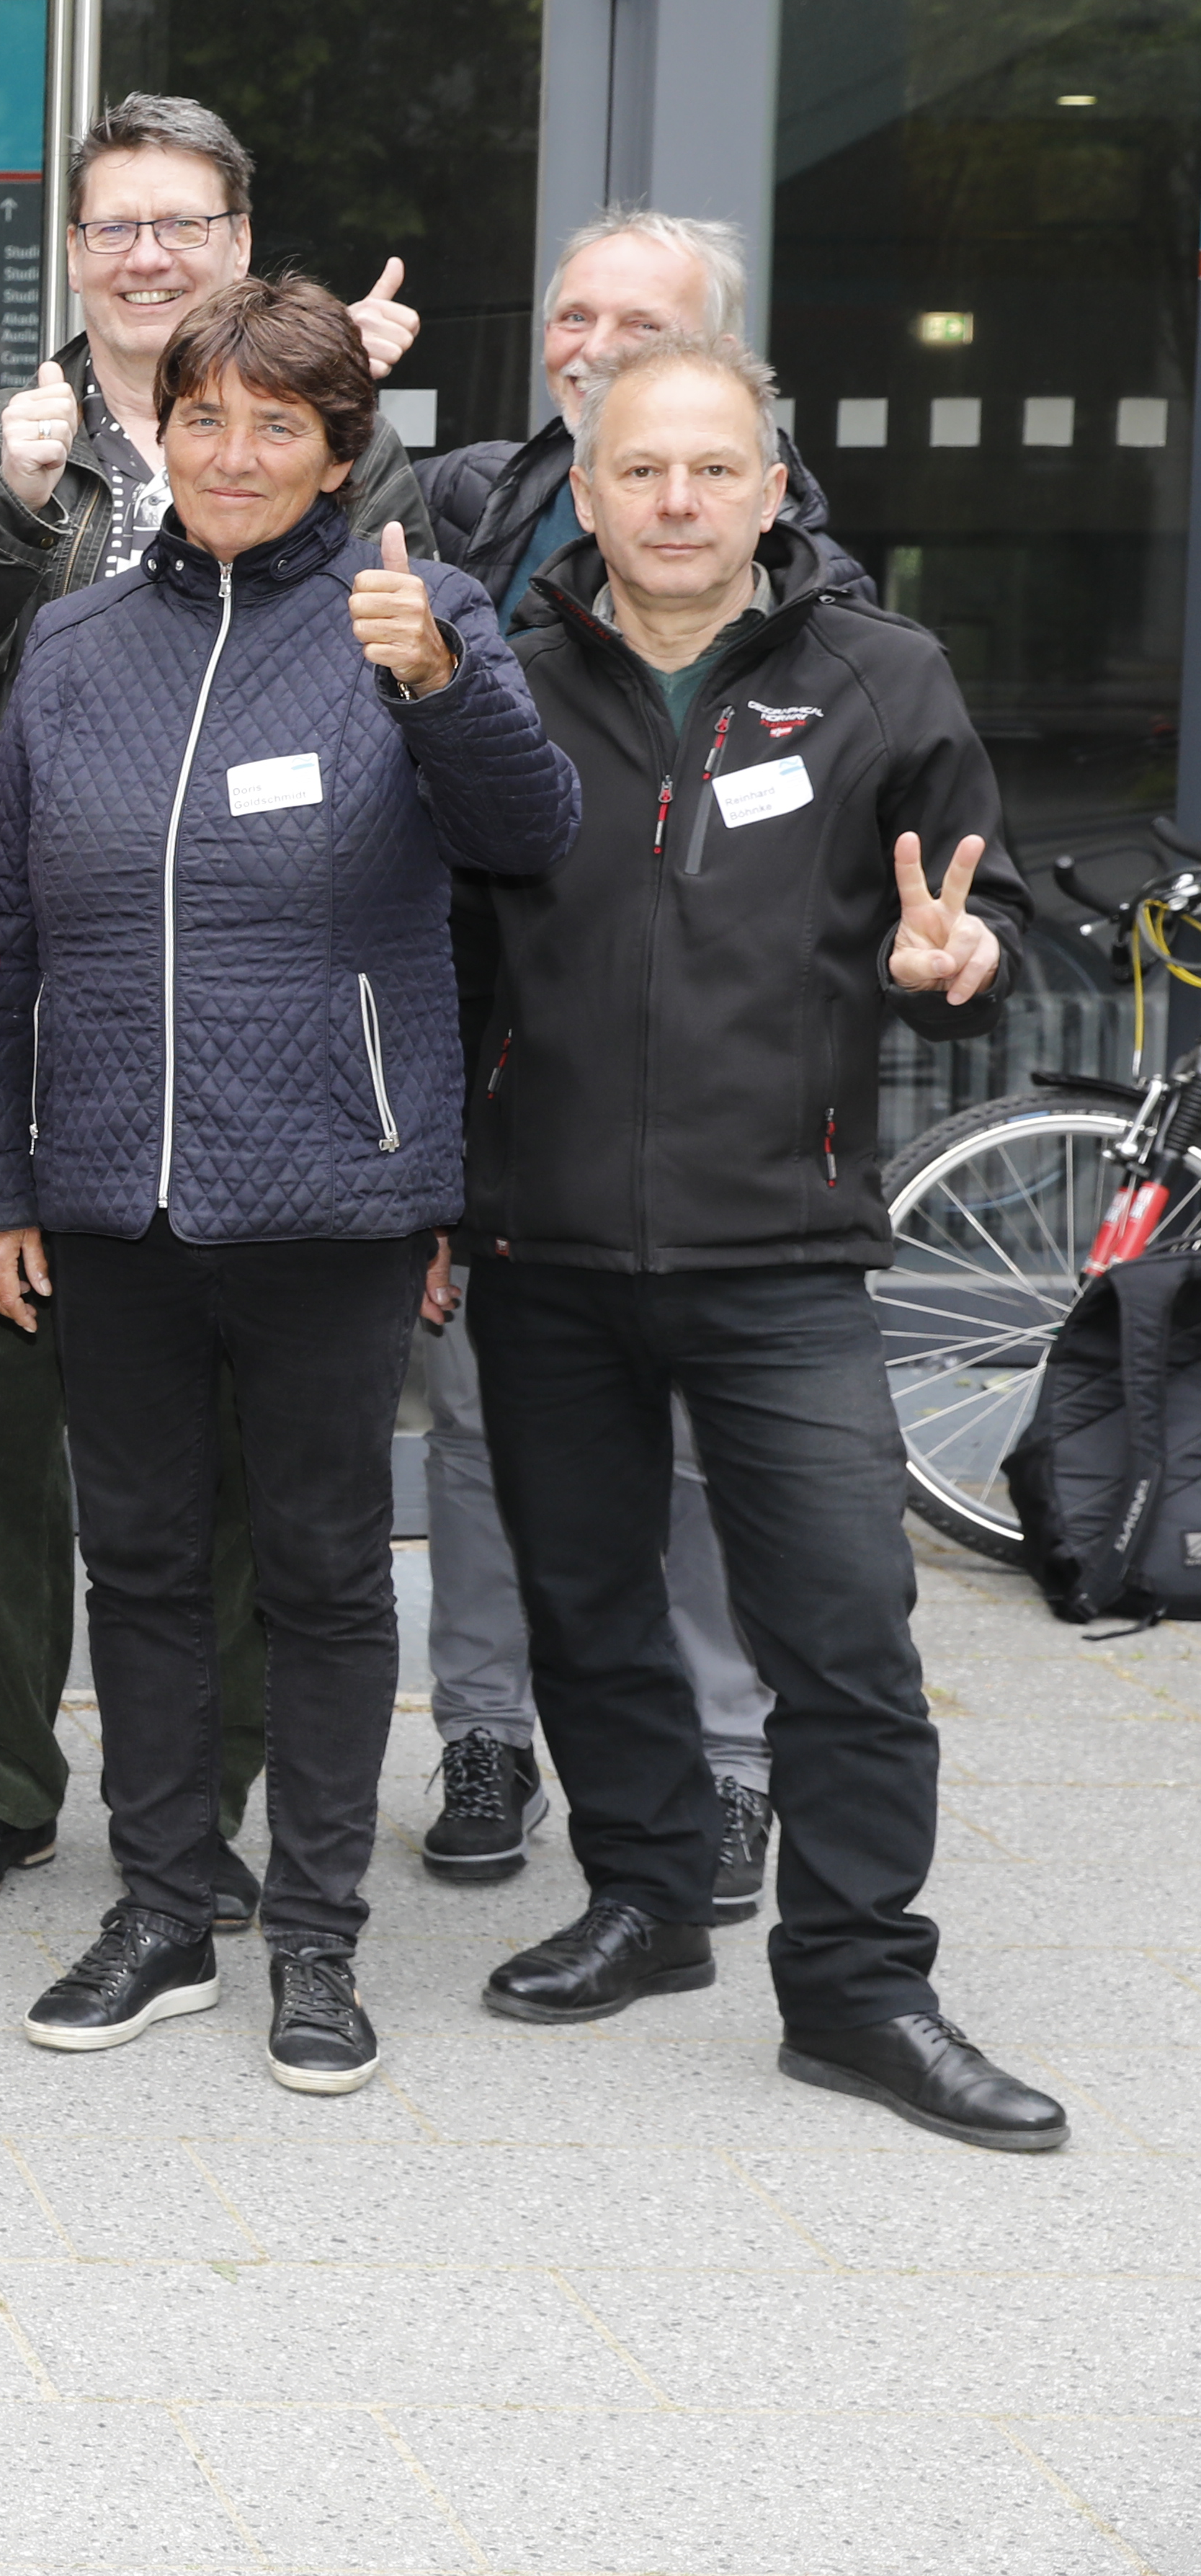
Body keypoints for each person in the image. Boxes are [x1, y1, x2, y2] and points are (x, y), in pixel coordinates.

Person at [0, 274, 574, 2093]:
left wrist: (437, 684)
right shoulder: (75, 646)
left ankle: (316, 1936)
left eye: (276, 424)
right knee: (139, 1559)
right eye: (204, 416)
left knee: (321, 1568)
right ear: (163, 431)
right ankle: (162, 1905)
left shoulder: (415, 611)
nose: (233, 453)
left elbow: (530, 835)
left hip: (332, 1191)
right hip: (110, 1192)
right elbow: (3, 933)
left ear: (338, 452)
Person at [455, 331, 1067, 2151]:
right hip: (547, 1243)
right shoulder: (505, 685)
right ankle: (649, 1896)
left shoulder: (883, 676)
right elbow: (443, 953)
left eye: (715, 468)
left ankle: (862, 1985)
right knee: (588, 1604)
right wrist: (443, 1192)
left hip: (784, 1247)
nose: (678, 500)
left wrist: (960, 965)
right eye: (641, 468)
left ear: (775, 487)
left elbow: (981, 928)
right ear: (585, 490)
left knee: (847, 1626)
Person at [0, 93, 427, 1914]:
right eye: (115, 223)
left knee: (233, 1432)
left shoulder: (336, 432)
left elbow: (417, 691)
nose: (148, 253)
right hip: (22, 974)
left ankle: (210, 1795)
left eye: (184, 221)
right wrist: (14, 518)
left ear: (241, 241)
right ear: (74, 249)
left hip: (259, 1013)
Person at [403, 210, 799, 1902]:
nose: (594, 342)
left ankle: (726, 1759)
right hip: (506, 1069)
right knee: (480, 1432)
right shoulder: (469, 514)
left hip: (713, 1102)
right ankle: (487, 1732)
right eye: (573, 313)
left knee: (702, 1450)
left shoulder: (810, 583)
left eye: (640, 319)